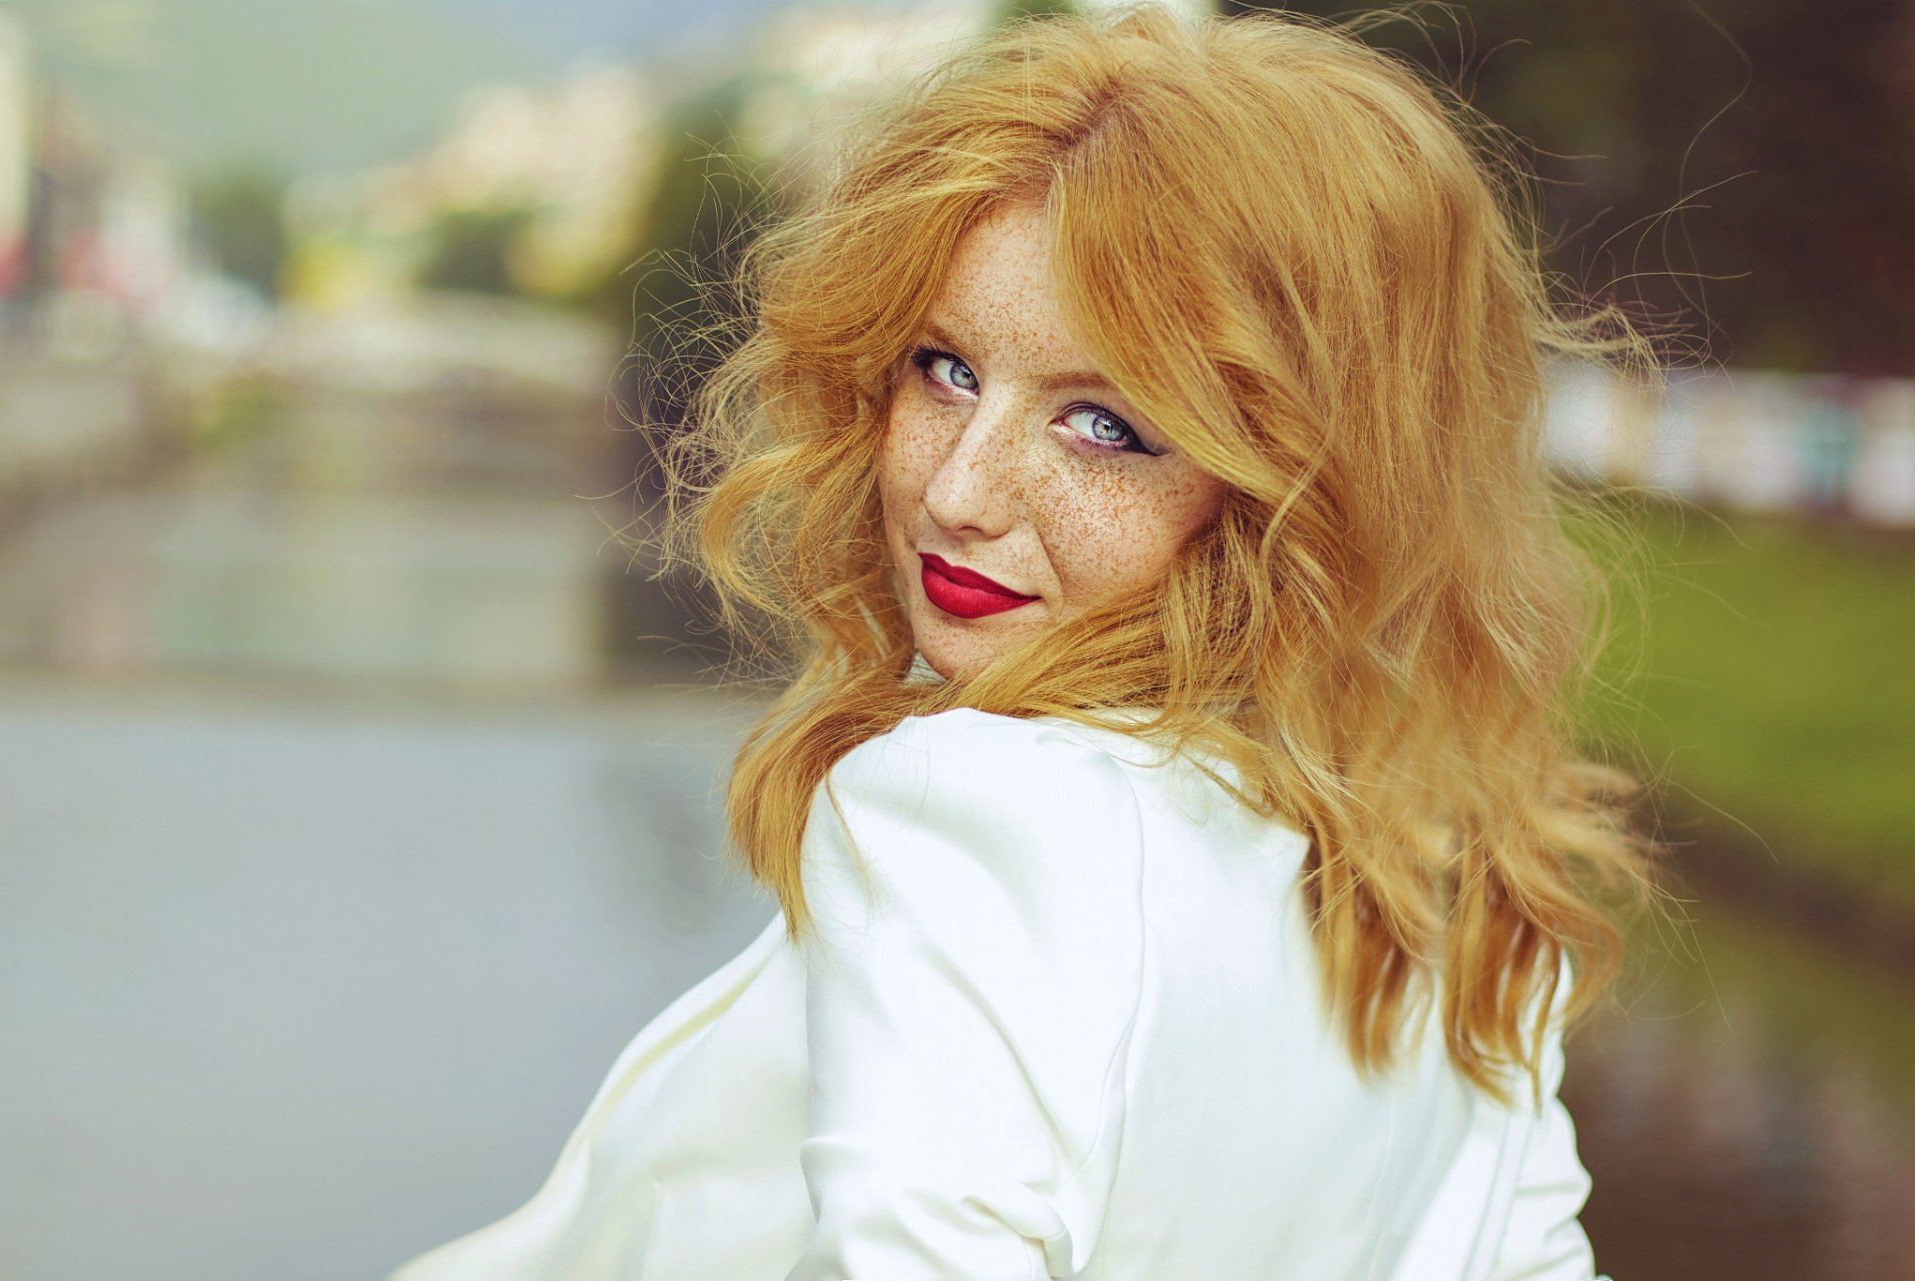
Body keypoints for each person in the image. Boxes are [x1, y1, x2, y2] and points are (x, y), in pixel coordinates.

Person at [389, 5, 1658, 1278]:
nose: (960, 492)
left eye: (1105, 426)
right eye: (945, 369)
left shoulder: (978, 813)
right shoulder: (1458, 880)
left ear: (1310, 484)